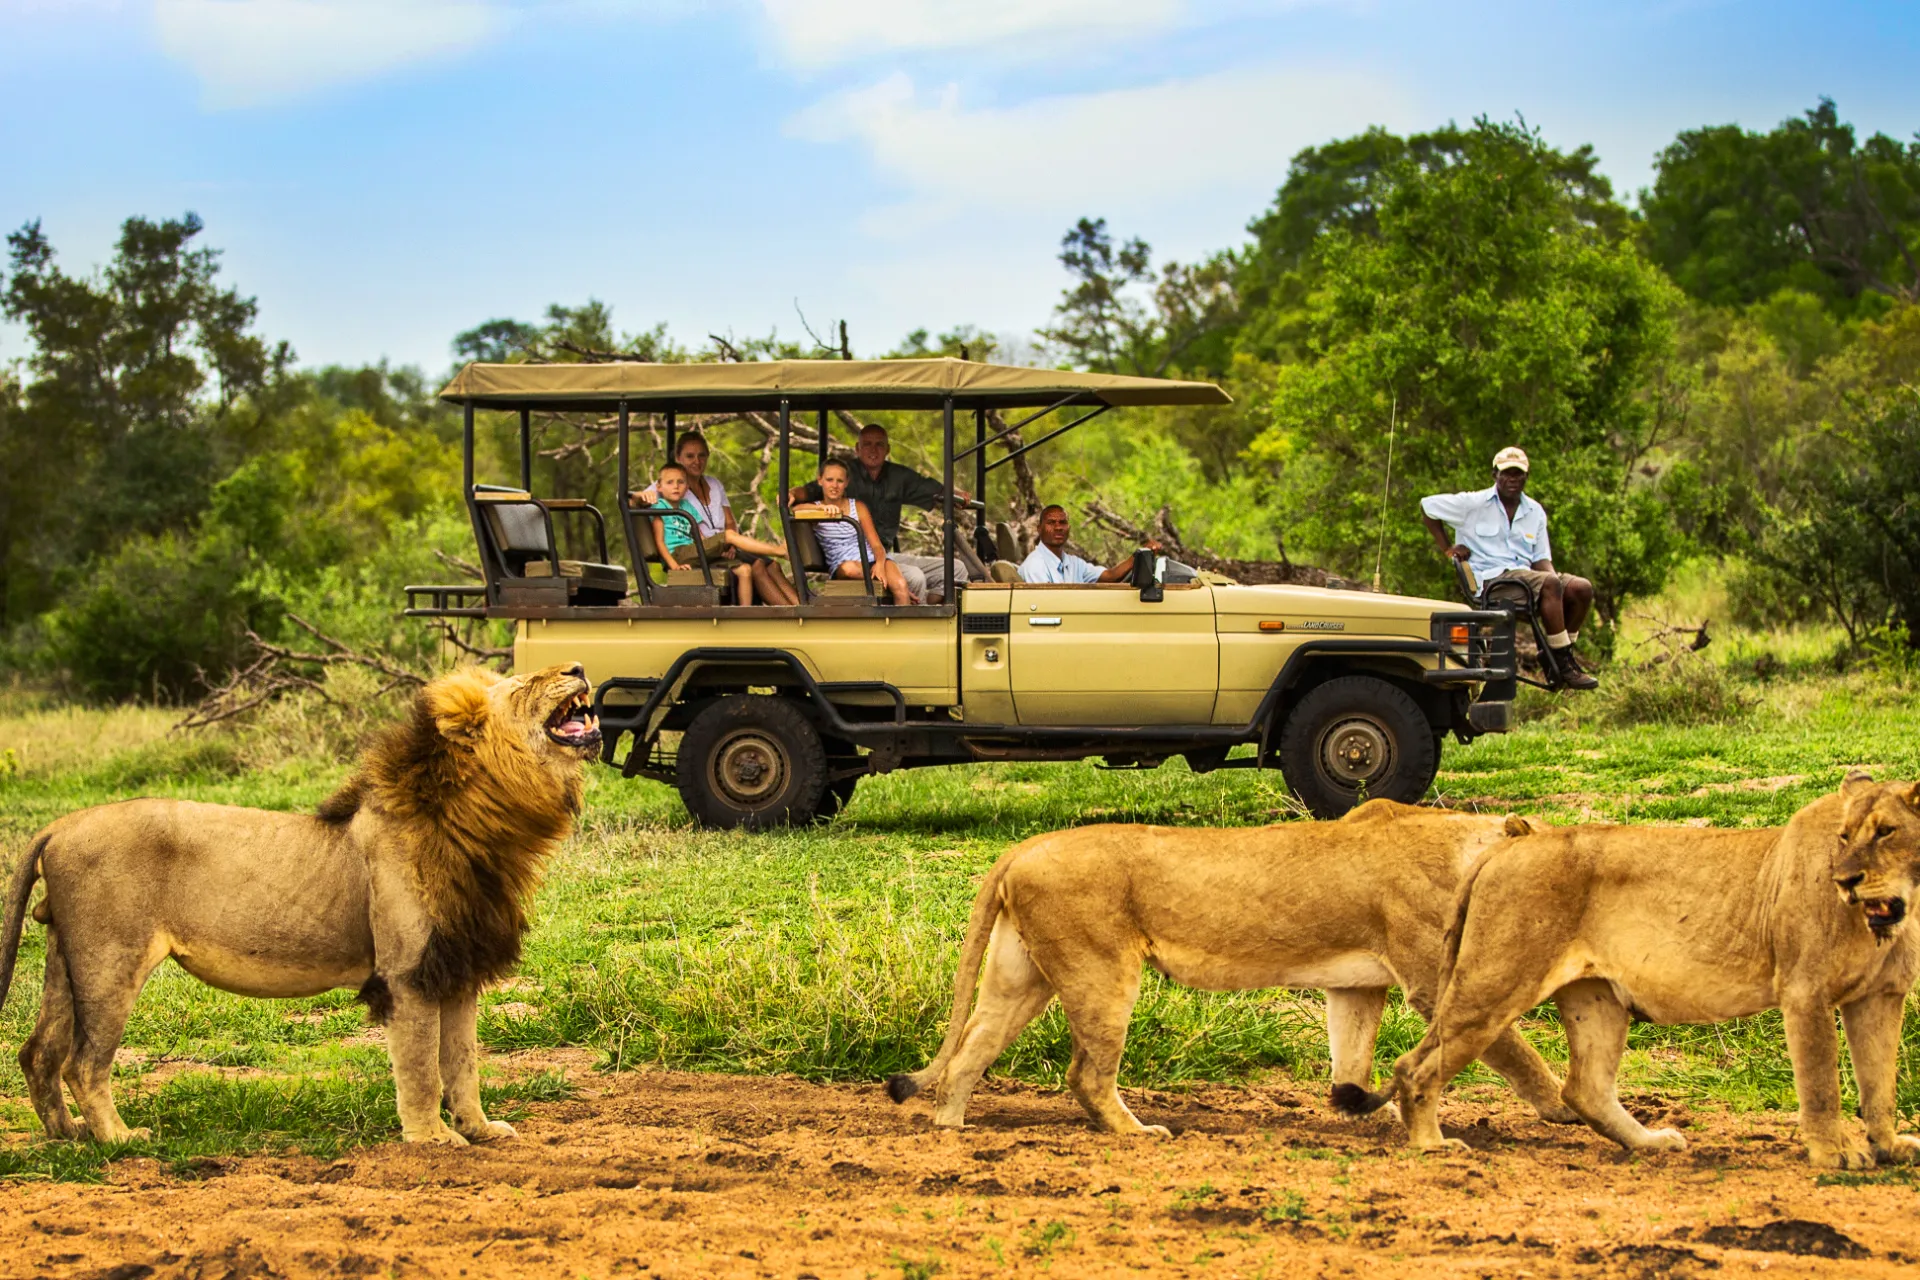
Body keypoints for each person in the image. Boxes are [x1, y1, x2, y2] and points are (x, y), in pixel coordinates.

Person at [1420, 446, 1598, 690]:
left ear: (1526, 476)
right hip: (1493, 581)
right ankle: (1563, 664)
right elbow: (1427, 506)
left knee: (1581, 588)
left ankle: (1557, 653)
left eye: (1518, 474)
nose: (1512, 479)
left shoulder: (1534, 511)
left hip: (1526, 578)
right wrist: (1447, 548)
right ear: (1495, 474)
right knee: (1549, 583)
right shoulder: (1473, 503)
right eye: (1506, 473)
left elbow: (1541, 559)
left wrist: (1557, 584)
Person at [787, 424, 971, 602]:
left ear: (887, 449)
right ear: (858, 448)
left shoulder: (899, 476)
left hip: (883, 554)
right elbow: (807, 492)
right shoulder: (843, 475)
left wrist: (954, 494)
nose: (873, 450)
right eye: (867, 444)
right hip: (854, 560)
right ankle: (914, 617)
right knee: (914, 577)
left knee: (957, 569)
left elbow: (929, 488)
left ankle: (927, 607)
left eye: (879, 445)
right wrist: (792, 494)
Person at [636, 434, 799, 605]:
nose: (697, 461)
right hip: (705, 548)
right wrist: (639, 497)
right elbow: (634, 499)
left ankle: (800, 608)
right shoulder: (669, 486)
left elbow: (729, 522)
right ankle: (789, 609)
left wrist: (731, 545)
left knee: (772, 565)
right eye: (690, 456)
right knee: (758, 565)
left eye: (701, 455)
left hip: (723, 545)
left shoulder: (713, 484)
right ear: (678, 458)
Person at [792, 459, 915, 606]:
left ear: (846, 483)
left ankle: (902, 618)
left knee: (900, 585)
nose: (834, 485)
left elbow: (877, 546)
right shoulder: (815, 509)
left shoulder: (858, 506)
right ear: (820, 481)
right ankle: (886, 583)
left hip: (871, 560)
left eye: (839, 481)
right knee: (849, 569)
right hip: (844, 564)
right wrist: (821, 509)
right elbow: (796, 510)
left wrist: (880, 564)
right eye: (829, 480)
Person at [1018, 504, 1160, 584]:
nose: (1058, 527)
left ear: (1068, 528)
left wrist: (1139, 555)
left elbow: (1110, 576)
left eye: (1062, 522)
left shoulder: (1073, 563)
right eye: (1051, 522)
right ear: (1039, 529)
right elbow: (1046, 608)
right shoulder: (1035, 565)